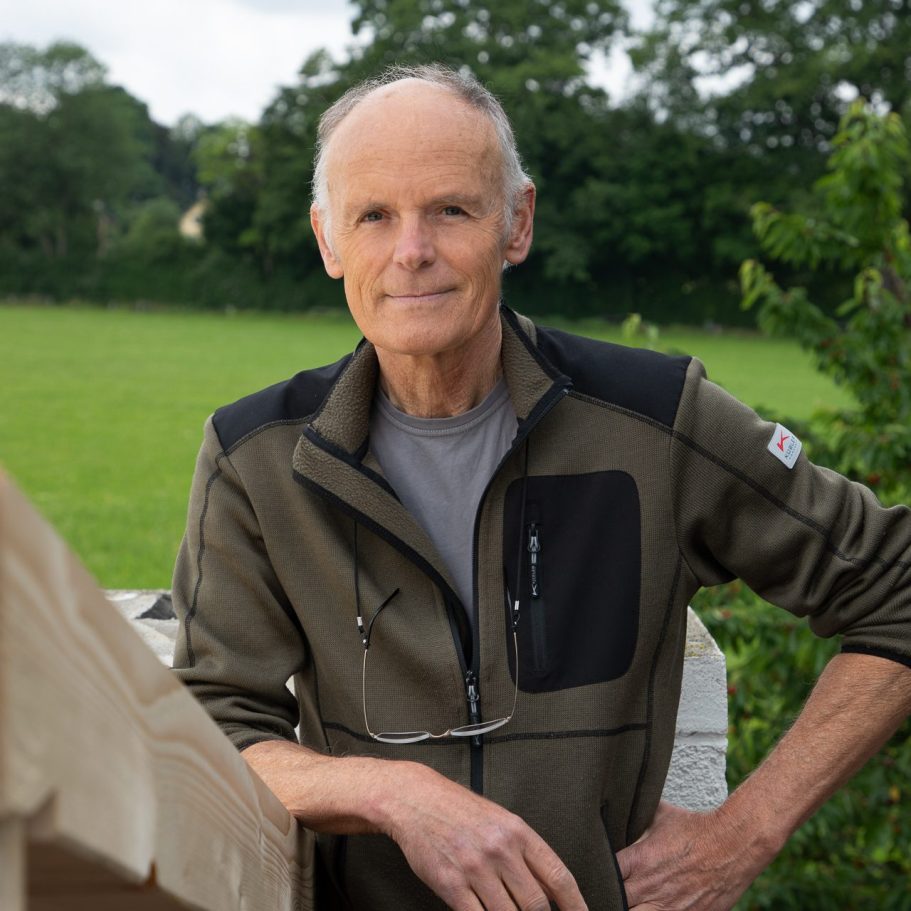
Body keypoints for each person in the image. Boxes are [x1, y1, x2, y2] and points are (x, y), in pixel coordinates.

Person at [171, 64, 911, 911]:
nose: (411, 251)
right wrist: (393, 792)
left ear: (516, 222)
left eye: (451, 210)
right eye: (373, 215)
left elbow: (895, 584)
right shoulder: (255, 457)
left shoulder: (655, 420)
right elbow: (211, 726)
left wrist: (745, 832)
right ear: (328, 240)